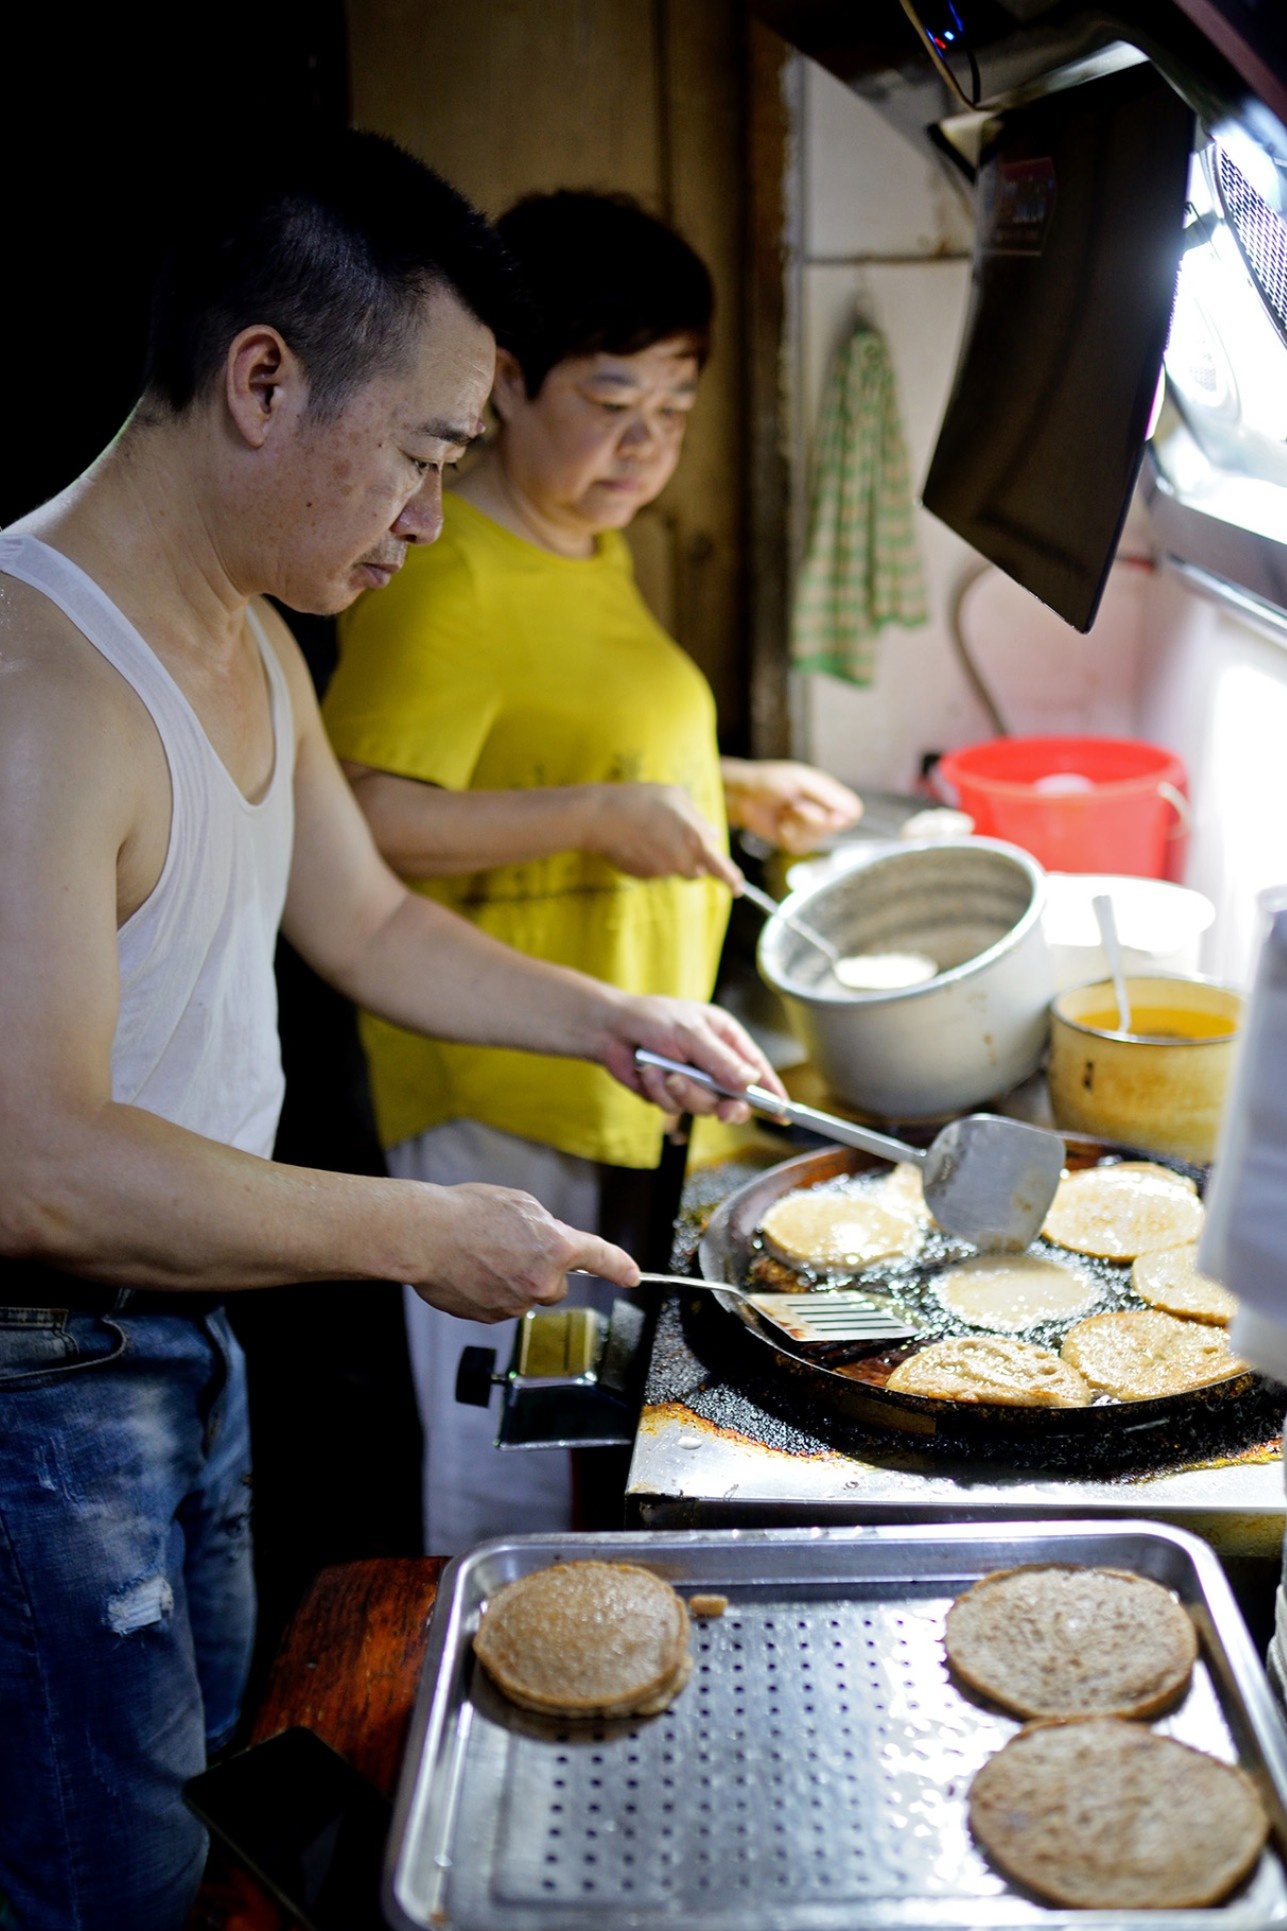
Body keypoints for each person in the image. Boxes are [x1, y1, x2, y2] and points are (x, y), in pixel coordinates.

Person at [0, 137, 781, 1931]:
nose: (434, 515)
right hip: (50, 1379)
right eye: (425, 454)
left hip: (173, 1334)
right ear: (263, 379)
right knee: (102, 1872)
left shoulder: (251, 630)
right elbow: (36, 1163)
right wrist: (424, 1232)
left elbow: (362, 921)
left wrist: (615, 1021)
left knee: (194, 1805)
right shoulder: (41, 684)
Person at [322, 190, 861, 1553]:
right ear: (505, 380)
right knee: (500, 1447)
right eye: (614, 400)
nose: (646, 446)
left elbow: (552, 733)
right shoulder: (446, 580)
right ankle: (480, 1673)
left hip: (602, 1063)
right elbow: (356, 820)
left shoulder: (581, 538)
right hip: (497, 1079)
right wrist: (595, 814)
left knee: (569, 1407)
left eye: (674, 409)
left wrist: (718, 790)